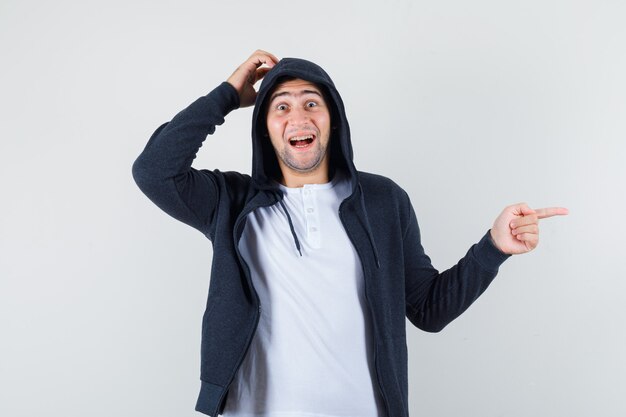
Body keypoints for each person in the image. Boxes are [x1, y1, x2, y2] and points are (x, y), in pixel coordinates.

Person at [131, 50, 568, 417]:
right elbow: (154, 171)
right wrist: (227, 95)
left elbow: (428, 309)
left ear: (333, 119)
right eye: (280, 106)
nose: (297, 116)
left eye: (311, 103)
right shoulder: (232, 201)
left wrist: (492, 248)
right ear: (265, 128)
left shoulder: (382, 200)